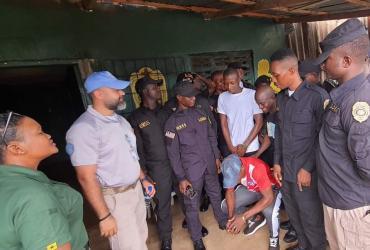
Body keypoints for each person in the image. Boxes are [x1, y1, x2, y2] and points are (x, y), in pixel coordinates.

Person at [66, 71, 155, 250]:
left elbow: (131, 155)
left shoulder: (120, 121)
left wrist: (143, 179)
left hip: (135, 191)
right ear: (98, 93)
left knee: (140, 237)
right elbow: (86, 177)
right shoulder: (84, 129)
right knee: (129, 246)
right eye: (116, 90)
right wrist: (104, 216)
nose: (122, 93)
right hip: (115, 198)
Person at [315, 18, 370, 250]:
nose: (323, 65)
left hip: (351, 208)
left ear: (346, 61)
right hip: (339, 200)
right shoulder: (343, 95)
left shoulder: (358, 102)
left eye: (327, 59)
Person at [0, 112, 88, 250]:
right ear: (17, 148)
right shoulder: (33, 198)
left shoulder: (8, 183)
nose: (48, 135)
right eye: (40, 133)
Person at [270, 48, 328, 250]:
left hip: (306, 174)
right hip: (286, 172)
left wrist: (308, 167)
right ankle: (303, 246)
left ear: (292, 71)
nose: (274, 80)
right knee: (295, 216)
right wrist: (276, 162)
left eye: (276, 75)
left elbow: (323, 138)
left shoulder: (317, 97)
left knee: (311, 219)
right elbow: (279, 133)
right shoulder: (281, 99)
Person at [164, 81, 227, 250]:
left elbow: (211, 137)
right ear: (179, 98)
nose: (193, 98)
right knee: (191, 204)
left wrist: (216, 157)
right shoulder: (172, 123)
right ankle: (197, 238)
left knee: (215, 192)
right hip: (191, 172)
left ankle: (222, 220)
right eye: (189, 96)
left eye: (194, 95)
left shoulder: (201, 113)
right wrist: (181, 178)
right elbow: (173, 154)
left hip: (209, 164)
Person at [128, 75, 174, 250]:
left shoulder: (167, 112)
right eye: (155, 87)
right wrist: (144, 172)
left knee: (187, 196)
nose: (158, 90)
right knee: (162, 203)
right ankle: (166, 239)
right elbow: (136, 148)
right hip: (156, 167)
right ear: (145, 92)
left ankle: (193, 226)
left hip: (176, 162)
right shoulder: (136, 118)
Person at [255, 85, 298, 244]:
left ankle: (296, 228)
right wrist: (258, 154)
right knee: (286, 193)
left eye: (262, 103)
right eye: (258, 104)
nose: (260, 107)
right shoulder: (271, 116)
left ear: (272, 97)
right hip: (277, 159)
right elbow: (269, 138)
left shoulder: (283, 113)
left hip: (288, 160)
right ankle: (293, 222)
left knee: (293, 196)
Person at [221, 154, 282, 250]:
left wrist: (243, 218)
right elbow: (229, 192)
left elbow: (269, 198)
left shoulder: (256, 168)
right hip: (254, 189)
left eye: (234, 179)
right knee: (225, 206)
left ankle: (274, 239)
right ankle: (256, 217)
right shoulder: (231, 166)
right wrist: (231, 218)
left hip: (271, 189)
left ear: (242, 169)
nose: (233, 182)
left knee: (269, 211)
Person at [218, 68, 263, 158]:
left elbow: (259, 122)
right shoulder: (222, 97)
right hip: (233, 148)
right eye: (226, 84)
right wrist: (230, 146)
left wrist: (245, 145)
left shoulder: (252, 94)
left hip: (251, 147)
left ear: (239, 79)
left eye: (232, 83)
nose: (229, 87)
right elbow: (224, 124)